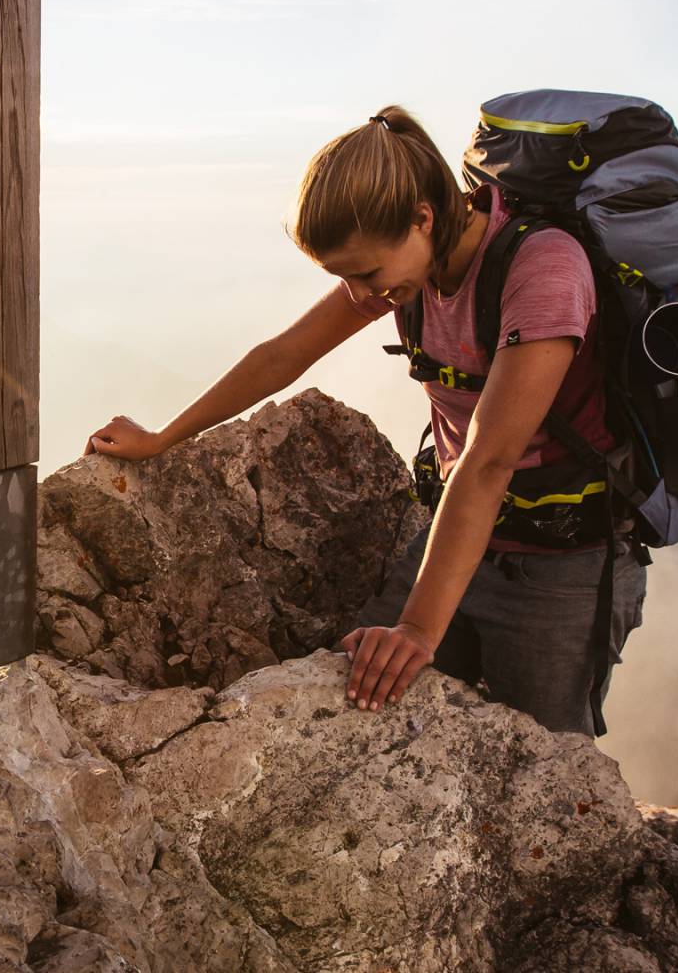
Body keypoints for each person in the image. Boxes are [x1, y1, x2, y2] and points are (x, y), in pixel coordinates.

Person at [85, 105, 646, 737]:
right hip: (456, 534)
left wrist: (416, 630)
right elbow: (283, 355)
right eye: (344, 277)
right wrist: (163, 438)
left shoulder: (542, 270)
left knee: (548, 761)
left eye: (368, 272)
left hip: (561, 563)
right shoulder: (405, 270)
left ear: (423, 218)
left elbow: (489, 461)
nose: (361, 292)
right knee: (357, 700)